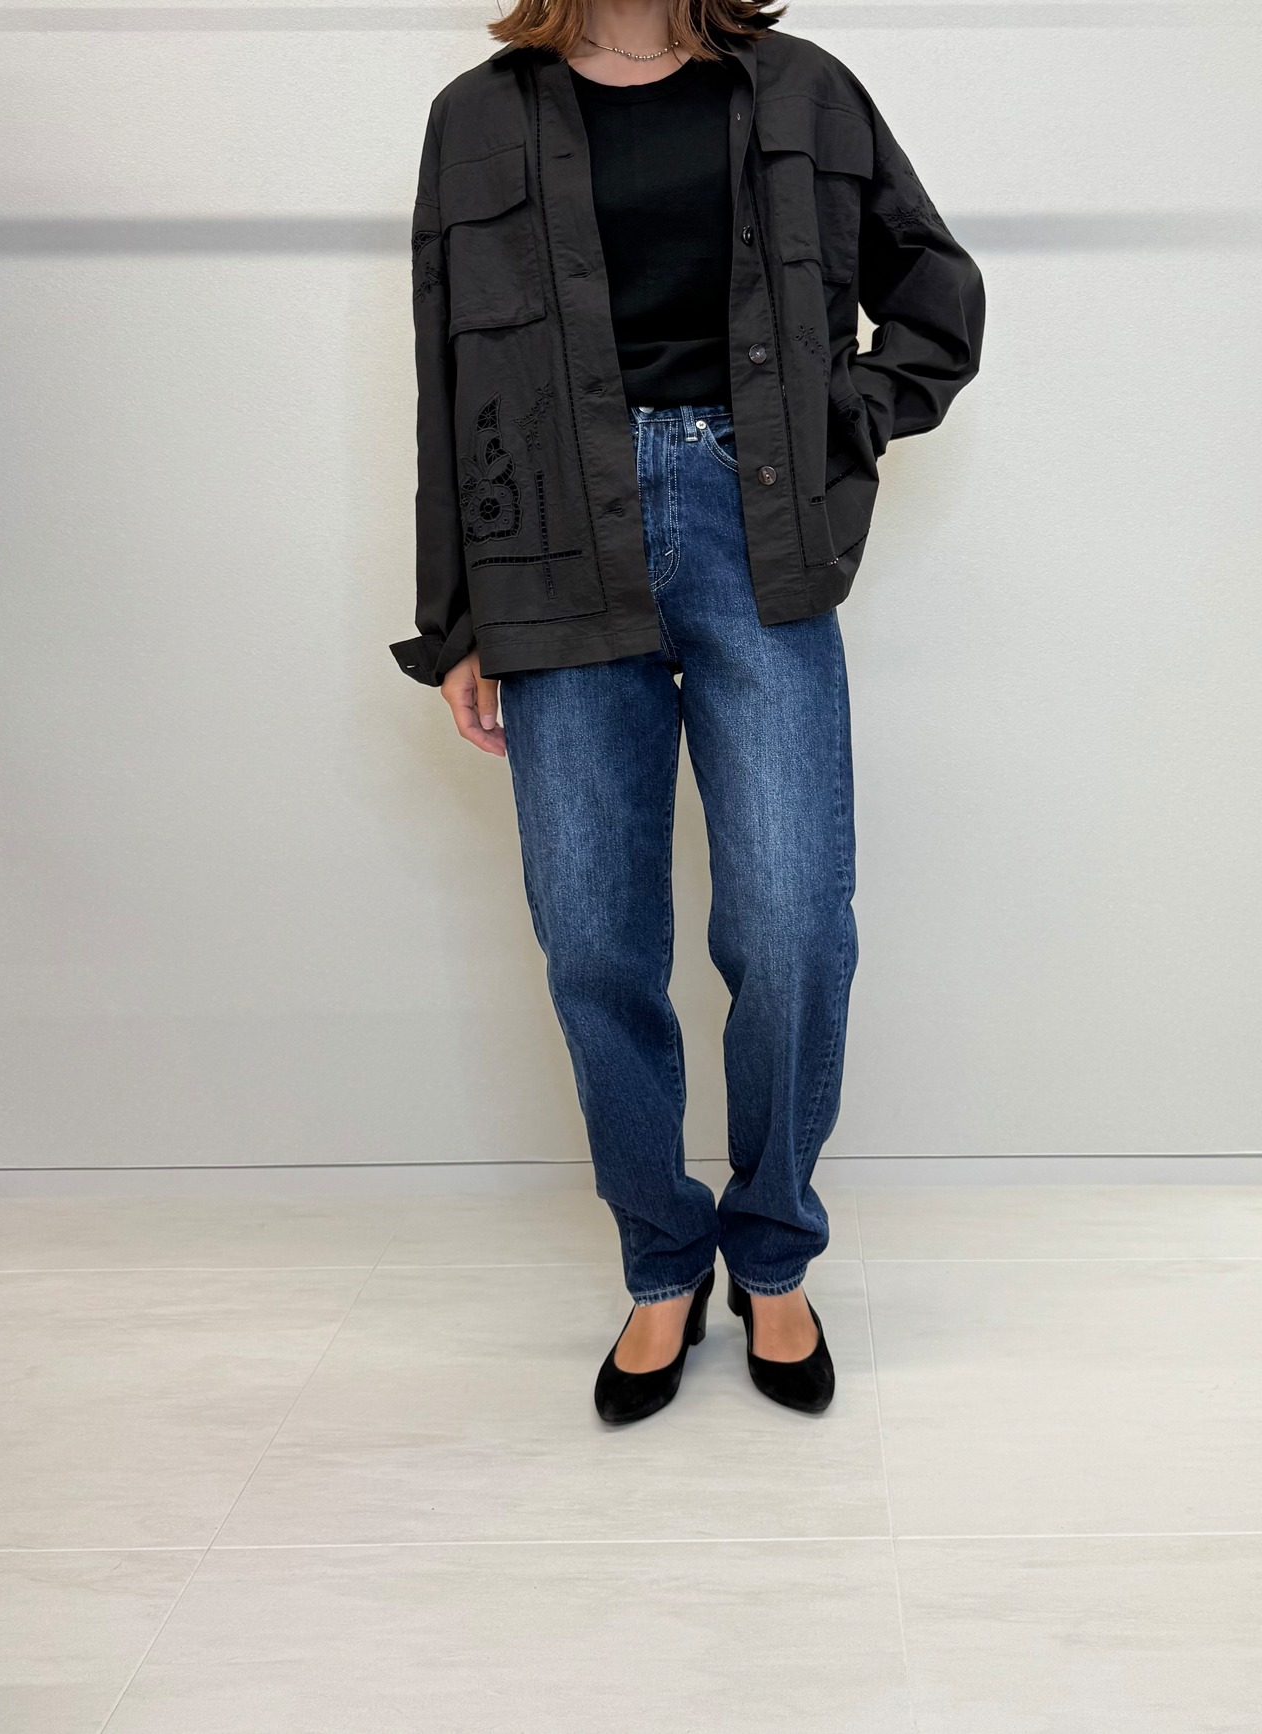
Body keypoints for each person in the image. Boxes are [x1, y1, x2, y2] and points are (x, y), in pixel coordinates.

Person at [391, 0, 984, 1423]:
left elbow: (935, 286)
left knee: (791, 923)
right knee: (594, 937)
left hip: (753, 529)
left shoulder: (806, 89)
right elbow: (446, 380)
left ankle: (772, 1251)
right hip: (551, 549)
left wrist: (852, 411)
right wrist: (457, 618)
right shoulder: (478, 115)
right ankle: (663, 1263)